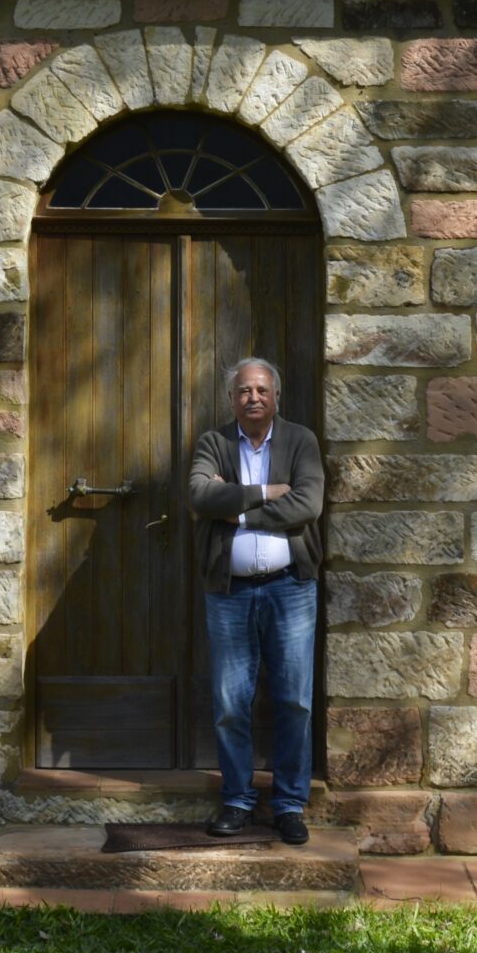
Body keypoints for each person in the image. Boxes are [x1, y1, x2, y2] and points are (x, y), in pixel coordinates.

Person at [187, 356, 325, 843]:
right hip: (230, 592)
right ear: (232, 399)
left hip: (291, 588)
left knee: (294, 701)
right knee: (230, 703)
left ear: (276, 397)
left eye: (262, 390)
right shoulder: (214, 443)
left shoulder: (301, 441)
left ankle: (289, 805)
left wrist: (239, 511)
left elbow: (307, 504)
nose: (253, 398)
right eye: (244, 390)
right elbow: (200, 496)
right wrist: (267, 492)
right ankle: (238, 800)